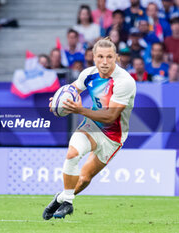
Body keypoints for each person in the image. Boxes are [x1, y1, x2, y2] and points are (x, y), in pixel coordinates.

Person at [43, 38, 136, 220]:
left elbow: (110, 116)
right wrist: (58, 102)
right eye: (100, 56)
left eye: (109, 57)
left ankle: (60, 198)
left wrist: (79, 109)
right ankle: (68, 202)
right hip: (92, 125)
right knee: (72, 154)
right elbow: (72, 88)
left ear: (116, 57)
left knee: (84, 178)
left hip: (114, 136)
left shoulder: (124, 82)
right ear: (93, 57)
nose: (104, 61)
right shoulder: (88, 74)